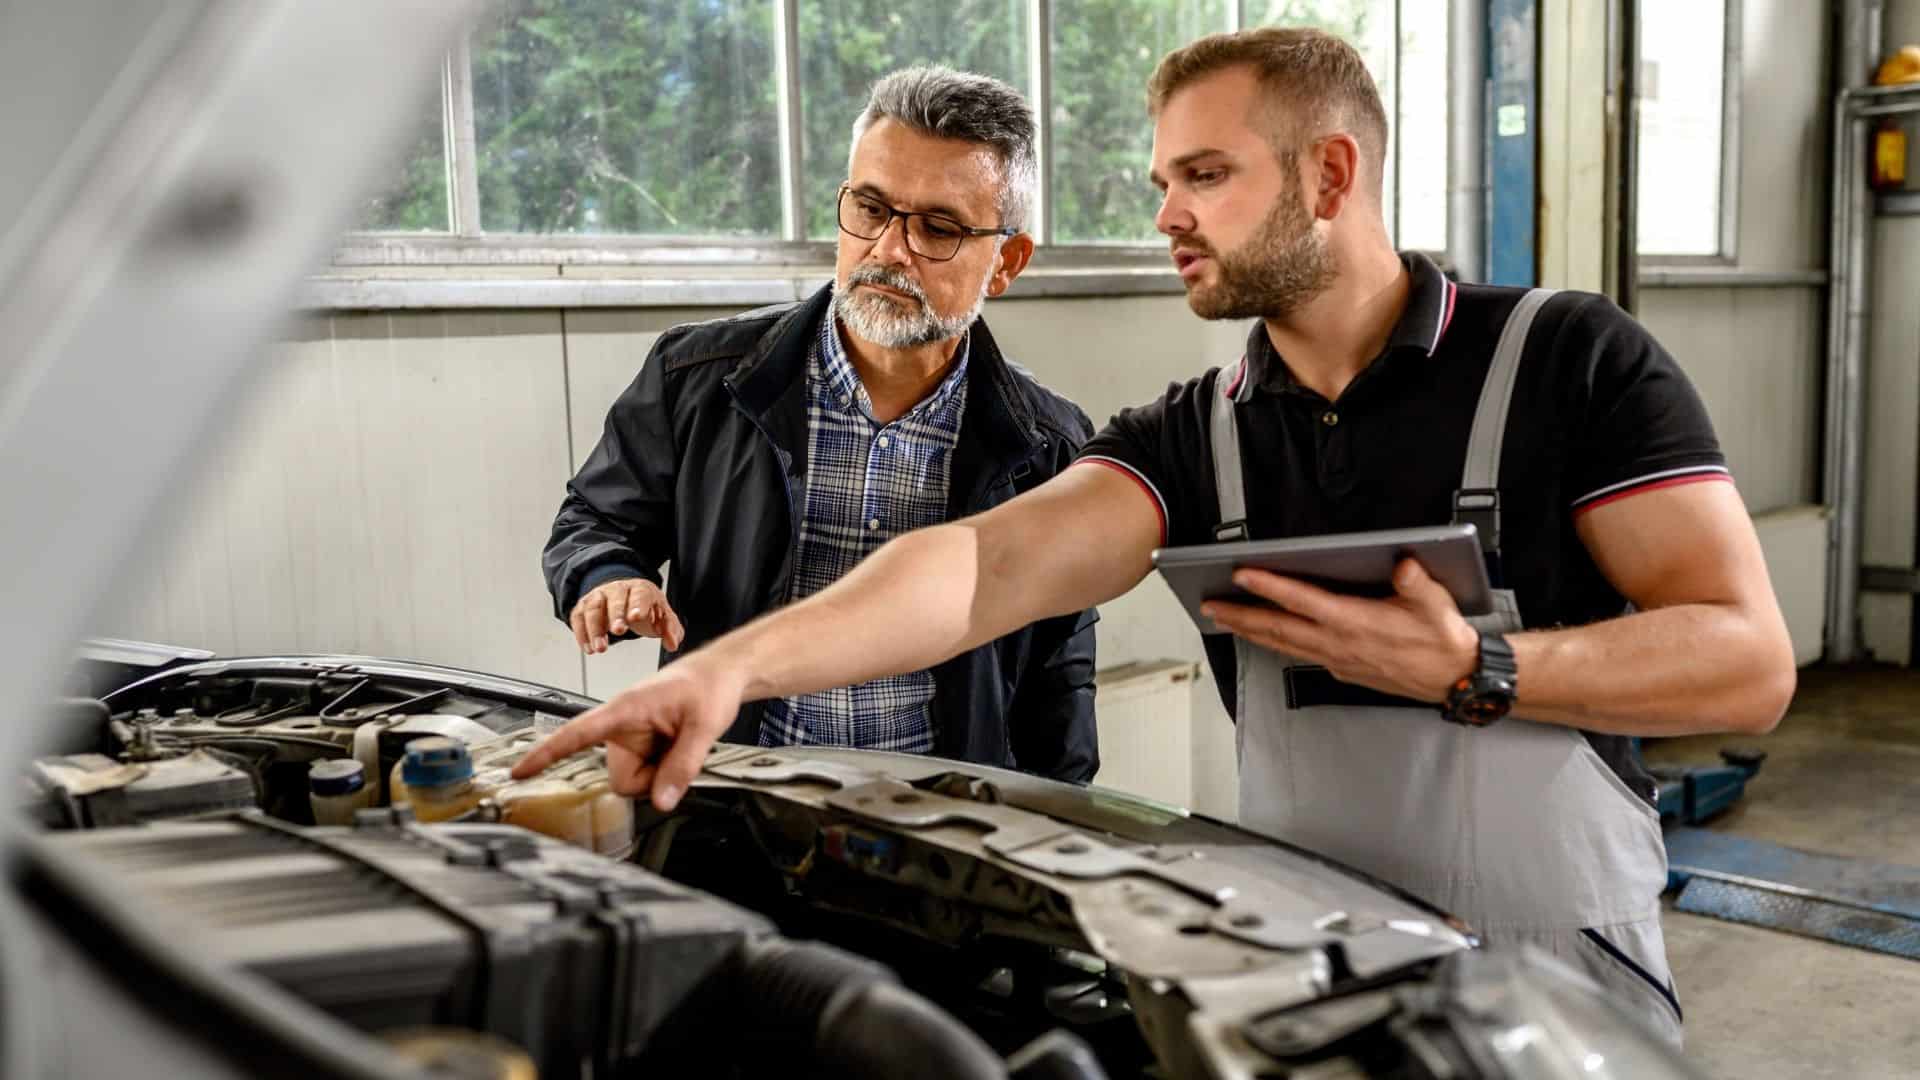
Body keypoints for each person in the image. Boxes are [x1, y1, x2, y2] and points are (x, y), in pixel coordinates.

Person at [519, 29, 1795, 1042]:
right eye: (1161, 184)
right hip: (1312, 975)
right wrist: (730, 667)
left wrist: (1482, 668)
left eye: (1205, 177)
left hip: (1559, 980)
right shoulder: (1200, 434)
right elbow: (981, 565)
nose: (1167, 216)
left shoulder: (1567, 360)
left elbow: (1747, 661)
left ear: (1330, 174)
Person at [540, 66, 1100, 781]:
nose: (888, 250)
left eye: (937, 228)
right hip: (735, 797)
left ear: (1006, 262)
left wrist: (1061, 824)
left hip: (942, 820)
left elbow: (1060, 671)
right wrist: (608, 576)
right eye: (869, 209)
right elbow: (595, 519)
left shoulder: (1047, 445)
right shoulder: (697, 377)